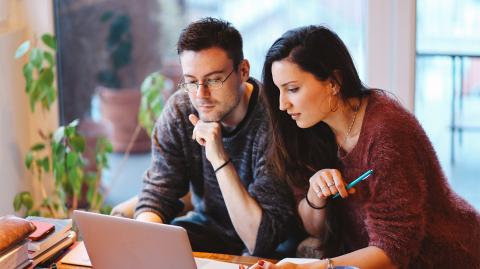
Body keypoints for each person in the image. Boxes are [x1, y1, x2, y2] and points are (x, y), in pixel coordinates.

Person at [247, 26, 480, 268]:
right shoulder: (307, 130)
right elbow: (314, 228)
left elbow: (394, 251)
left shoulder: (387, 131)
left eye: (293, 89)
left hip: (444, 257)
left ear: (334, 82)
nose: (282, 104)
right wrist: (316, 196)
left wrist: (315, 266)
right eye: (278, 90)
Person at [134, 17, 298, 257]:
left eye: (213, 80)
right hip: (207, 230)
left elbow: (260, 241)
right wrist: (143, 242)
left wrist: (219, 158)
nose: (201, 94)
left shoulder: (274, 119)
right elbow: (158, 192)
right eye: (191, 81)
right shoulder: (180, 111)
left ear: (243, 71)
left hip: (269, 246)